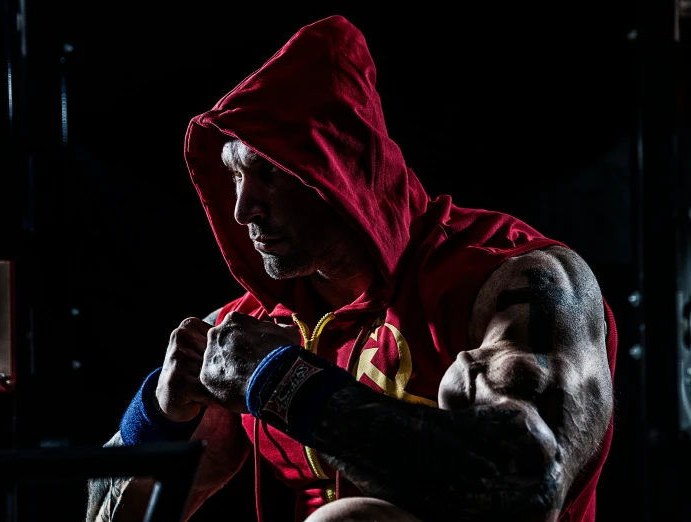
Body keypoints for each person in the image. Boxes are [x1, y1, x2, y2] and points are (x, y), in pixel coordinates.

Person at [86, 14, 617, 522]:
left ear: (334, 168)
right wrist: (157, 413)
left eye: (266, 174)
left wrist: (283, 382)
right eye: (234, 179)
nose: (242, 209)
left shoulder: (514, 278)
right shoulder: (253, 331)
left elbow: (529, 486)